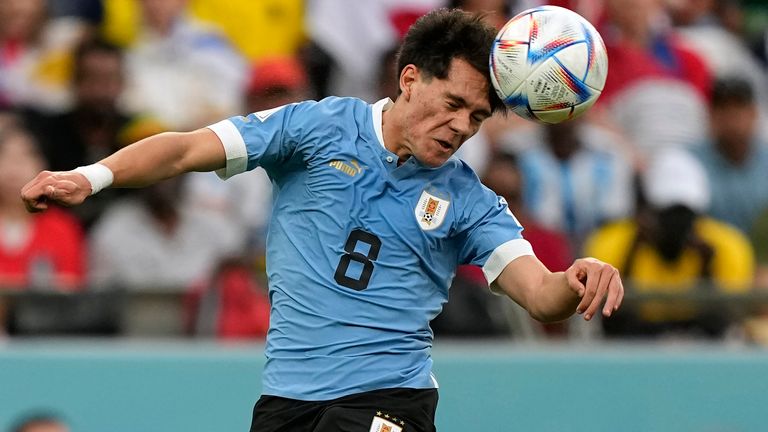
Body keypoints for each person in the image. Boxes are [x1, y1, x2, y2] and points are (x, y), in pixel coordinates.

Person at [21, 9, 624, 432]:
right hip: (287, 400)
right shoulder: (313, 130)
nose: (463, 127)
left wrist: (577, 279)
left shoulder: (469, 201)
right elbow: (182, 149)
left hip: (392, 401)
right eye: (453, 105)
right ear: (410, 80)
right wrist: (90, 176)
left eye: (477, 117)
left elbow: (540, 295)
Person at [584, 148, 754, 339]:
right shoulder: (611, 242)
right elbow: (611, 324)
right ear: (649, 211)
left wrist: (707, 267)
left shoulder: (728, 246)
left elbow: (721, 326)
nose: (677, 223)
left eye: (685, 213)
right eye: (669, 212)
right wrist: (631, 253)